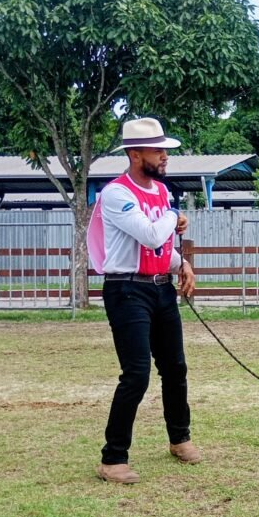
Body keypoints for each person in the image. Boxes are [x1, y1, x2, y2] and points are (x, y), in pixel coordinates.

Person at [91, 117, 198, 484]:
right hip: (126, 290)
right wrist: (173, 217)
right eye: (158, 150)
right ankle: (112, 458)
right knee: (136, 374)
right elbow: (151, 235)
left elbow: (159, 249)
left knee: (175, 367)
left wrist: (181, 263)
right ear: (135, 154)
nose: (165, 157)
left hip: (160, 287)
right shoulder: (116, 194)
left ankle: (179, 438)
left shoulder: (163, 193)